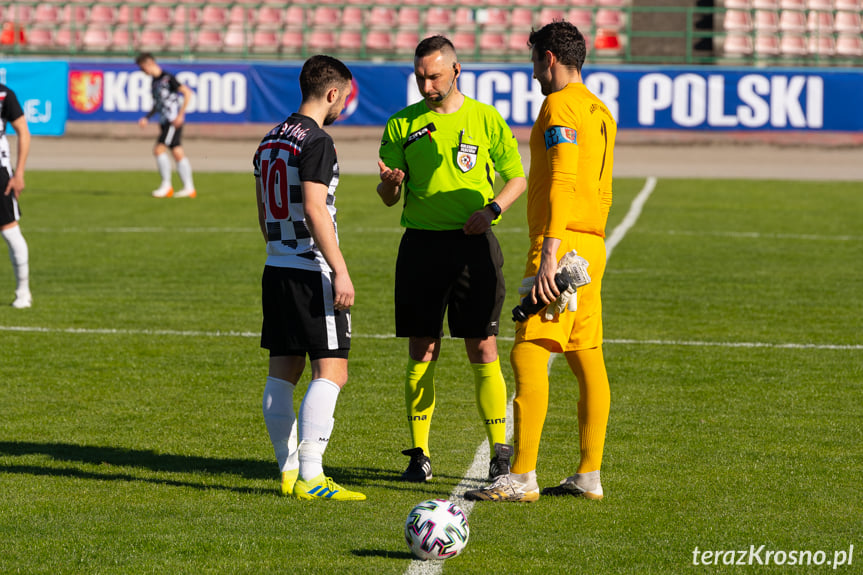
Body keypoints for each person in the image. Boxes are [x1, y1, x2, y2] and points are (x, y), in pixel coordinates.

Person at [465, 21, 616, 503]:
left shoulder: (560, 105)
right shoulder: (600, 109)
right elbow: (603, 187)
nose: (532, 73)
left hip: (562, 242)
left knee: (528, 350)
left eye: (534, 61)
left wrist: (551, 250)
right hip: (591, 245)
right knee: (585, 355)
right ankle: (588, 474)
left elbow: (564, 179)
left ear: (549, 58)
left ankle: (522, 475)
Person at [377, 35, 527, 483]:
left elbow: (516, 177)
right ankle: (419, 453)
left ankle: (500, 450)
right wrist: (390, 184)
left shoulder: (485, 118)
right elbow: (388, 197)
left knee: (483, 346)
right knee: (422, 347)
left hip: (474, 247)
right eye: (420, 77)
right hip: (422, 247)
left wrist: (492, 209)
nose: (426, 85)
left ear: (456, 71)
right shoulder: (401, 124)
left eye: (434, 76)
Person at [255, 55, 364, 501]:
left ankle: (287, 469)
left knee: (283, 371)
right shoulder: (317, 141)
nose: (343, 106)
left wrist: (281, 247)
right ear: (332, 93)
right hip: (310, 269)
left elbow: (264, 213)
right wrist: (339, 269)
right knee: (331, 370)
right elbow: (317, 208)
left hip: (276, 264)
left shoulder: (269, 139)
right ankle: (312, 475)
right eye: (344, 98)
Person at [136, 52, 196, 199]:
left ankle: (166, 185)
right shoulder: (154, 82)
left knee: (158, 150)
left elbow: (187, 93)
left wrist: (181, 114)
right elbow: (158, 103)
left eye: (142, 67)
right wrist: (147, 117)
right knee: (177, 152)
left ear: (149, 63)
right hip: (164, 122)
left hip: (172, 121)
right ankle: (189, 188)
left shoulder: (167, 78)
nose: (142, 71)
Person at [0, 82, 32, 309]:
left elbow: (23, 131)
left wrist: (18, 173)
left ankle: (23, 290)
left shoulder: (4, 94)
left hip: (0, 172)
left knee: (10, 233)